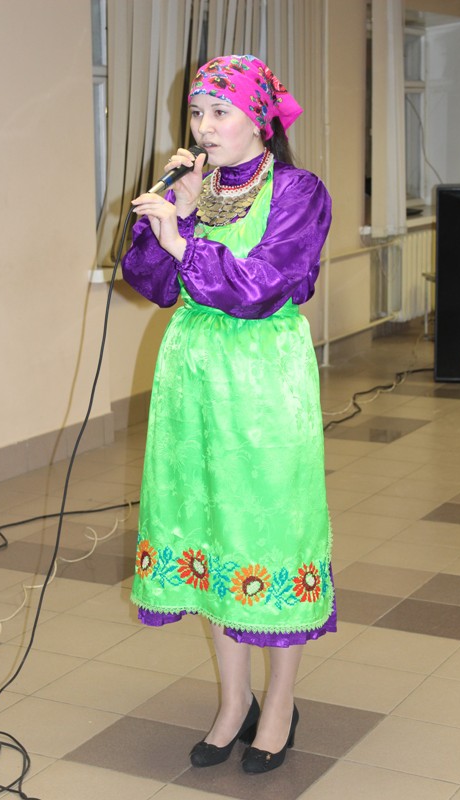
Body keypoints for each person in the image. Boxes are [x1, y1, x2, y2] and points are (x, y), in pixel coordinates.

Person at [122, 54, 334, 774]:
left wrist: (184, 242)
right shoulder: (195, 186)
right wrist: (173, 212)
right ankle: (234, 701)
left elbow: (266, 285)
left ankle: (280, 704)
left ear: (259, 120)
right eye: (196, 112)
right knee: (211, 531)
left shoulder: (299, 190)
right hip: (192, 382)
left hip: (264, 383)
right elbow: (154, 284)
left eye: (220, 112)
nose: (204, 127)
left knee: (268, 536)